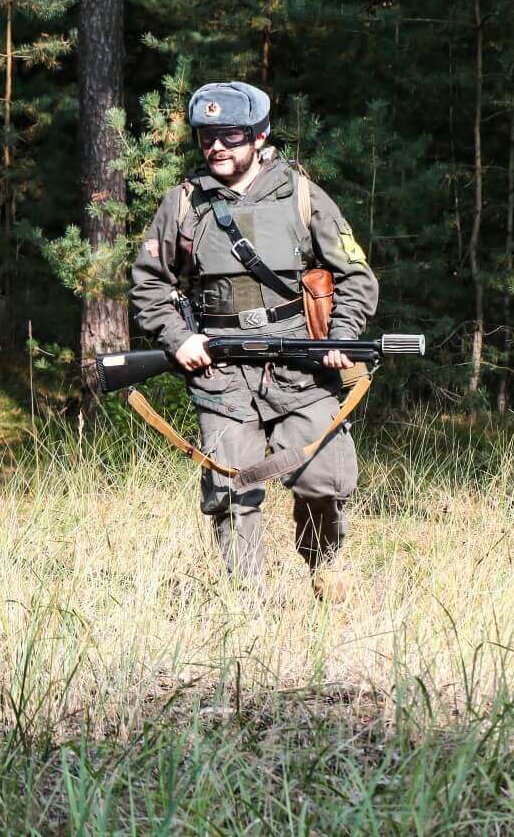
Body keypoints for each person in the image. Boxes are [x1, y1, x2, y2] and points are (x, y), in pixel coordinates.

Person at [130, 81, 378, 600]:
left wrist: (341, 336)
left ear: (260, 136)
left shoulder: (303, 196)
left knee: (323, 479)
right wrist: (178, 339)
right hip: (219, 368)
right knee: (231, 489)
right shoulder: (183, 204)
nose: (217, 147)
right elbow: (151, 282)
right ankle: (246, 605)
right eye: (206, 137)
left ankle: (325, 566)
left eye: (231, 136)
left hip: (301, 363)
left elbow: (356, 276)